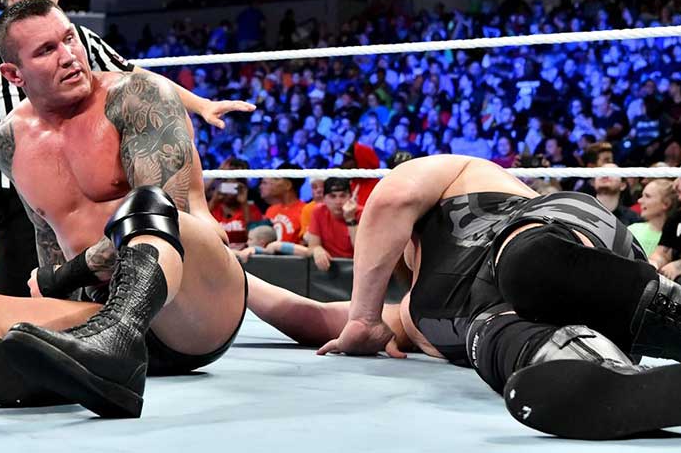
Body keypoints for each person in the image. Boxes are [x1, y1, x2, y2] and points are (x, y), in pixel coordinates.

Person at [0, 0, 247, 419]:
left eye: (70, 39)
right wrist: (52, 296)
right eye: (46, 50)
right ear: (13, 74)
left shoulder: (138, 96)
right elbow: (49, 240)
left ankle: (114, 343)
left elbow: (169, 222)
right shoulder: (8, 141)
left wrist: (63, 277)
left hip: (189, 314)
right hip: (97, 314)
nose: (68, 56)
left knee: (146, 205)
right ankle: (17, 364)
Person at [249, 154, 681, 440]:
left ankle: (671, 315)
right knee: (488, 333)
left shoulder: (458, 175)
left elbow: (394, 196)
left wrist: (363, 316)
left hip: (568, 247)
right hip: (586, 327)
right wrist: (236, 280)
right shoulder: (406, 315)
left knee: (522, 262)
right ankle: (605, 377)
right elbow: (314, 317)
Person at [0, 0, 254, 297]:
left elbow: (136, 78)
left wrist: (199, 104)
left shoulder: (78, 39)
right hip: (15, 198)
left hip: (81, 182)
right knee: (22, 296)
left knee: (103, 276)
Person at [307, 178, 359, 271]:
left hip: (357, 267)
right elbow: (312, 247)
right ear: (324, 199)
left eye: (343, 196)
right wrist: (317, 250)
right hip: (329, 268)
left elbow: (361, 251)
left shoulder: (363, 213)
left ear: (352, 198)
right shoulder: (318, 211)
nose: (338, 201)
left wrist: (350, 219)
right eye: (332, 196)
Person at [629, 179, 676, 257]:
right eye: (642, 196)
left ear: (666, 203)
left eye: (647, 196)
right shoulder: (632, 230)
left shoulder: (675, 237)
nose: (639, 200)